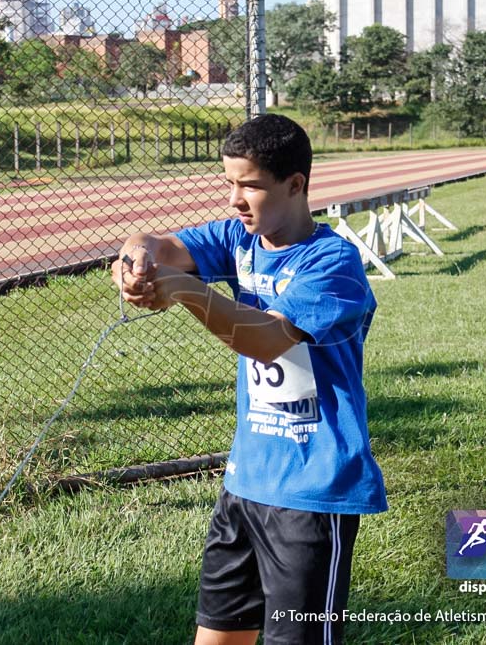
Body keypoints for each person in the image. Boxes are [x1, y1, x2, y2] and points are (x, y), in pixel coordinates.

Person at [112, 114, 387, 645]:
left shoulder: (333, 263)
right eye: (229, 183)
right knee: (217, 637)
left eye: (251, 186)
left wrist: (185, 290)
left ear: (296, 184)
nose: (235, 200)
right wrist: (137, 261)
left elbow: (264, 338)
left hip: (311, 493)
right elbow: (158, 245)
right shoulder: (239, 239)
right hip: (245, 485)